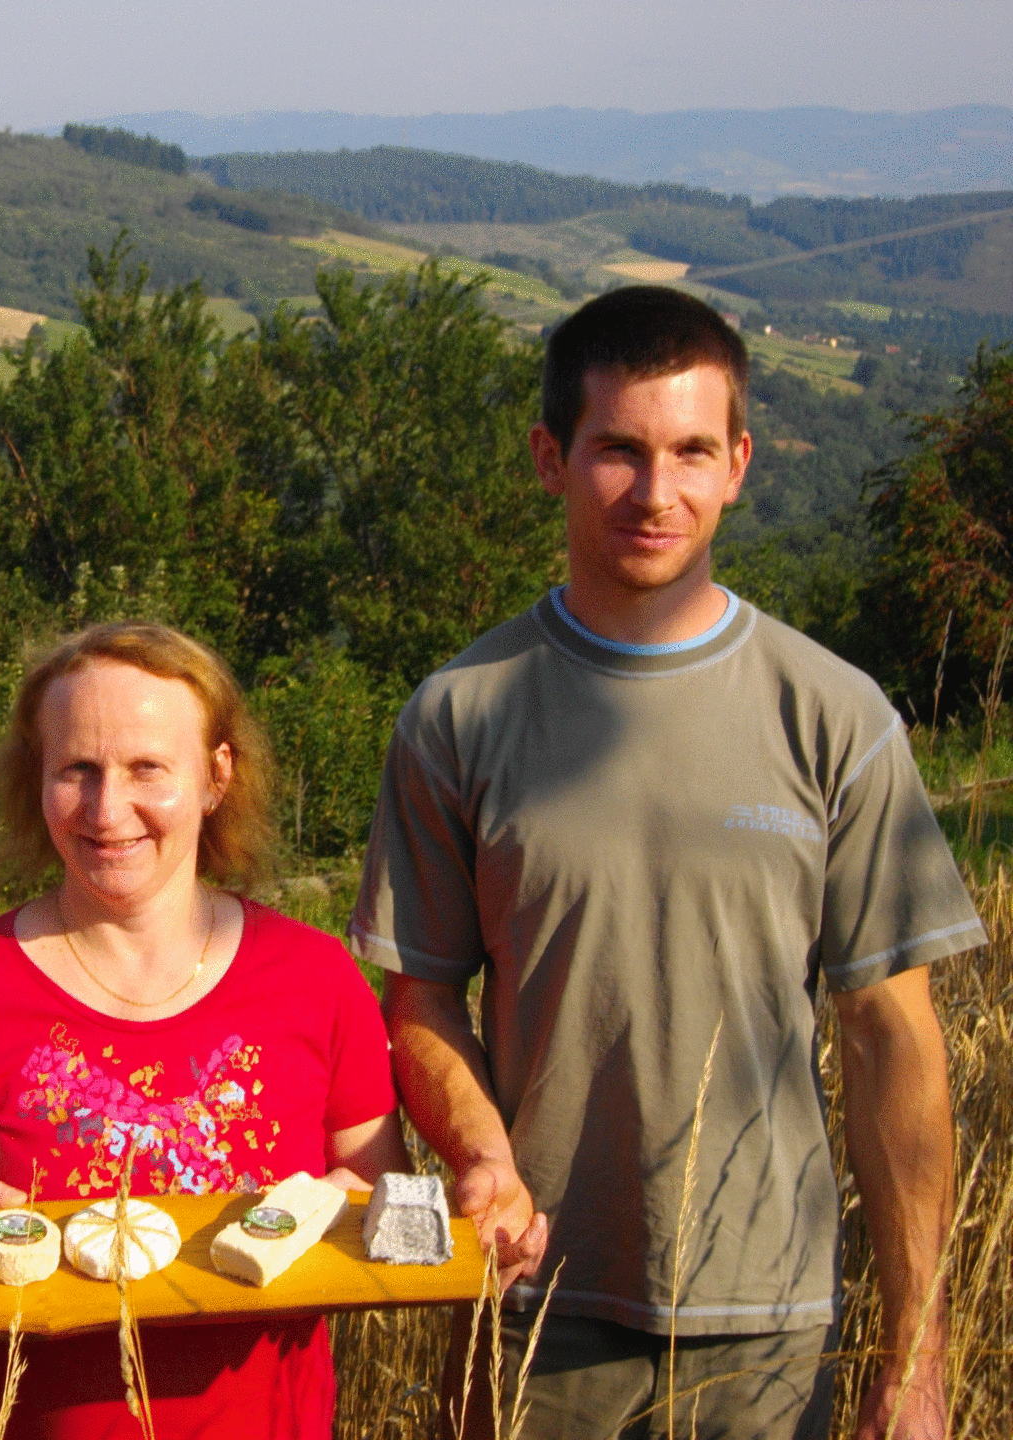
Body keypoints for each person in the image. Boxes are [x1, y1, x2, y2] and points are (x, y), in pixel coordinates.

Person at [352, 286, 985, 1440]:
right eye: (619, 452)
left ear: (740, 462)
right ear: (552, 457)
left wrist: (918, 1351)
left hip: (774, 1324)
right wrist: (487, 1161)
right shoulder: (457, 718)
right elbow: (422, 995)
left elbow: (894, 1036)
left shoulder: (834, 717)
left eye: (694, 450)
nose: (658, 492)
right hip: (534, 1310)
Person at [0, 620, 409, 1440]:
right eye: (76, 771)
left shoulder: (316, 978)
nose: (106, 808)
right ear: (36, 779)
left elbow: (382, 1204)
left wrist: (342, 1209)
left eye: (146, 768)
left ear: (215, 775)